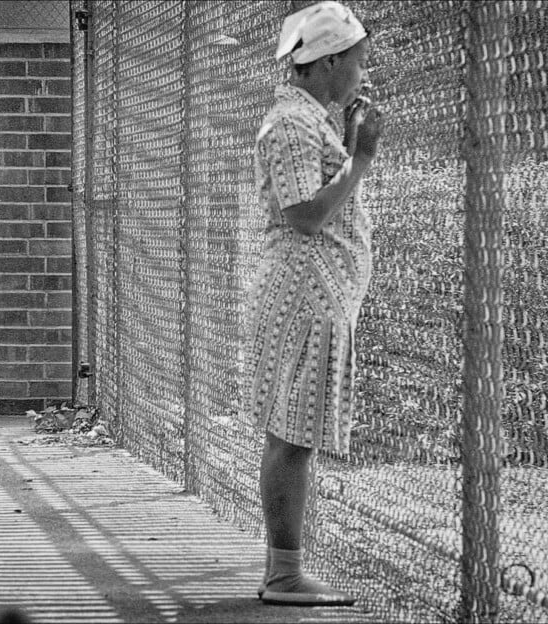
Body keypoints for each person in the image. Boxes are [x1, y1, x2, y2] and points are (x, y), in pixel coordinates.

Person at [242, 1, 383, 606]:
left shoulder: (306, 120)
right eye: (357, 61)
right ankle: (283, 576)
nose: (362, 73)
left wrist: (348, 146)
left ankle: (284, 571)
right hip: (306, 295)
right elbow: (304, 214)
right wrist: (362, 158)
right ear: (327, 62)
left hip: (312, 294)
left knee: (293, 433)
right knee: (293, 436)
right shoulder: (292, 125)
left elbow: (316, 197)